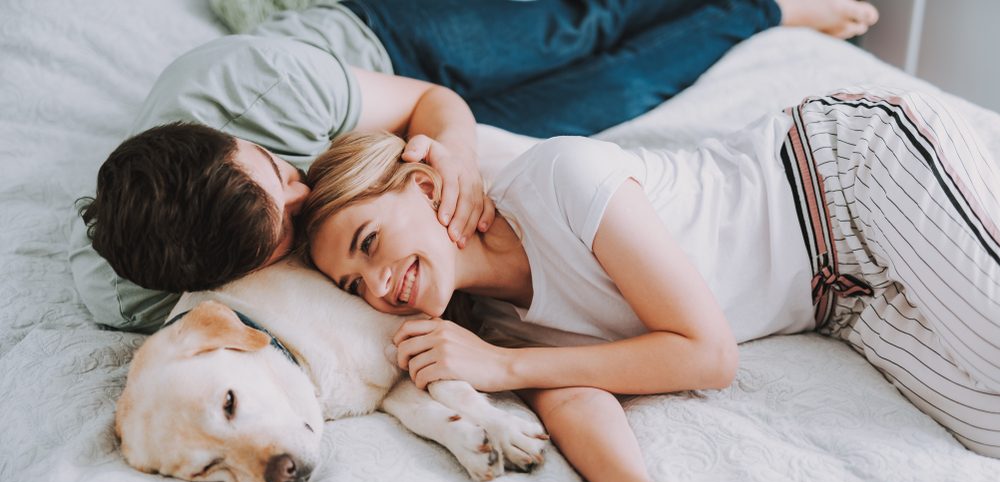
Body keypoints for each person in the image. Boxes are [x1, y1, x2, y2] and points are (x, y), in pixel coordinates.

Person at [301, 89, 1000, 482]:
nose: (378, 285)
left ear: (426, 187)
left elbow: (707, 355)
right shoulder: (491, 327)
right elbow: (577, 400)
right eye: (354, 285)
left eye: (368, 244)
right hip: (843, 299)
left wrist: (507, 370)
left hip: (842, 177)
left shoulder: (559, 180)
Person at [70, 0, 878, 334]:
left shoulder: (252, 85)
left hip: (385, 46)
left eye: (276, 172)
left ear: (221, 139)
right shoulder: (135, 289)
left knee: (576, 25)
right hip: (381, 178)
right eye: (283, 229)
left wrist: (455, 153)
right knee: (617, 90)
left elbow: (431, 100)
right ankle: (758, 14)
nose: (303, 187)